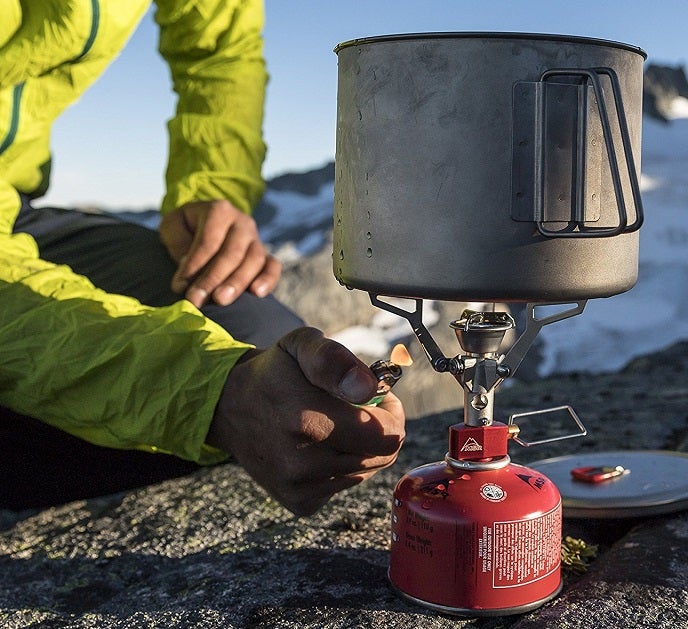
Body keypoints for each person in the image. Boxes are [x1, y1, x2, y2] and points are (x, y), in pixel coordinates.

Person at [0, 1, 405, 516]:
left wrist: (212, 184)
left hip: (13, 204)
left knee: (273, 370)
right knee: (232, 403)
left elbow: (220, 47)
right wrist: (202, 392)